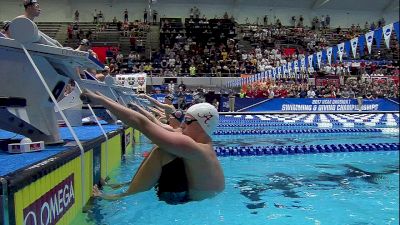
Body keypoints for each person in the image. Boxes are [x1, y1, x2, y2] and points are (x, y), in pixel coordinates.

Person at [81, 90, 225, 203]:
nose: (182, 125)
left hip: (192, 202)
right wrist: (106, 99)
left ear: (202, 125)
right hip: (202, 197)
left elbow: (142, 124)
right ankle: (127, 185)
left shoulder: (195, 149)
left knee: (160, 152)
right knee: (164, 150)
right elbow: (151, 122)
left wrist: (101, 101)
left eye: (187, 121)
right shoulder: (203, 145)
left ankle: (123, 196)